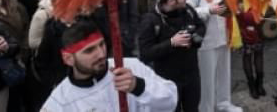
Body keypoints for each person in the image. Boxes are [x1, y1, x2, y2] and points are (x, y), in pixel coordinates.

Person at [42, 20, 178, 112]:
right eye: (89, 50)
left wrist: (138, 87)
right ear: (68, 59)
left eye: (102, 45)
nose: (101, 54)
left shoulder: (131, 67)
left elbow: (171, 101)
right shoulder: (60, 101)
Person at [138, 0, 204, 112]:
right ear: (171, 1)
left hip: (191, 74)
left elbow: (201, 26)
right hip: (168, 80)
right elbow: (145, 53)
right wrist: (172, 42)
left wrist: (195, 38)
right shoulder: (151, 20)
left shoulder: (188, 10)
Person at [185, 0, 242, 112]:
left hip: (224, 34)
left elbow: (230, 4)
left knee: (224, 73)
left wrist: (236, 8)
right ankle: (206, 108)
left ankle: (223, 103)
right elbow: (187, 12)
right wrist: (208, 10)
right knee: (207, 80)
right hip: (207, 39)